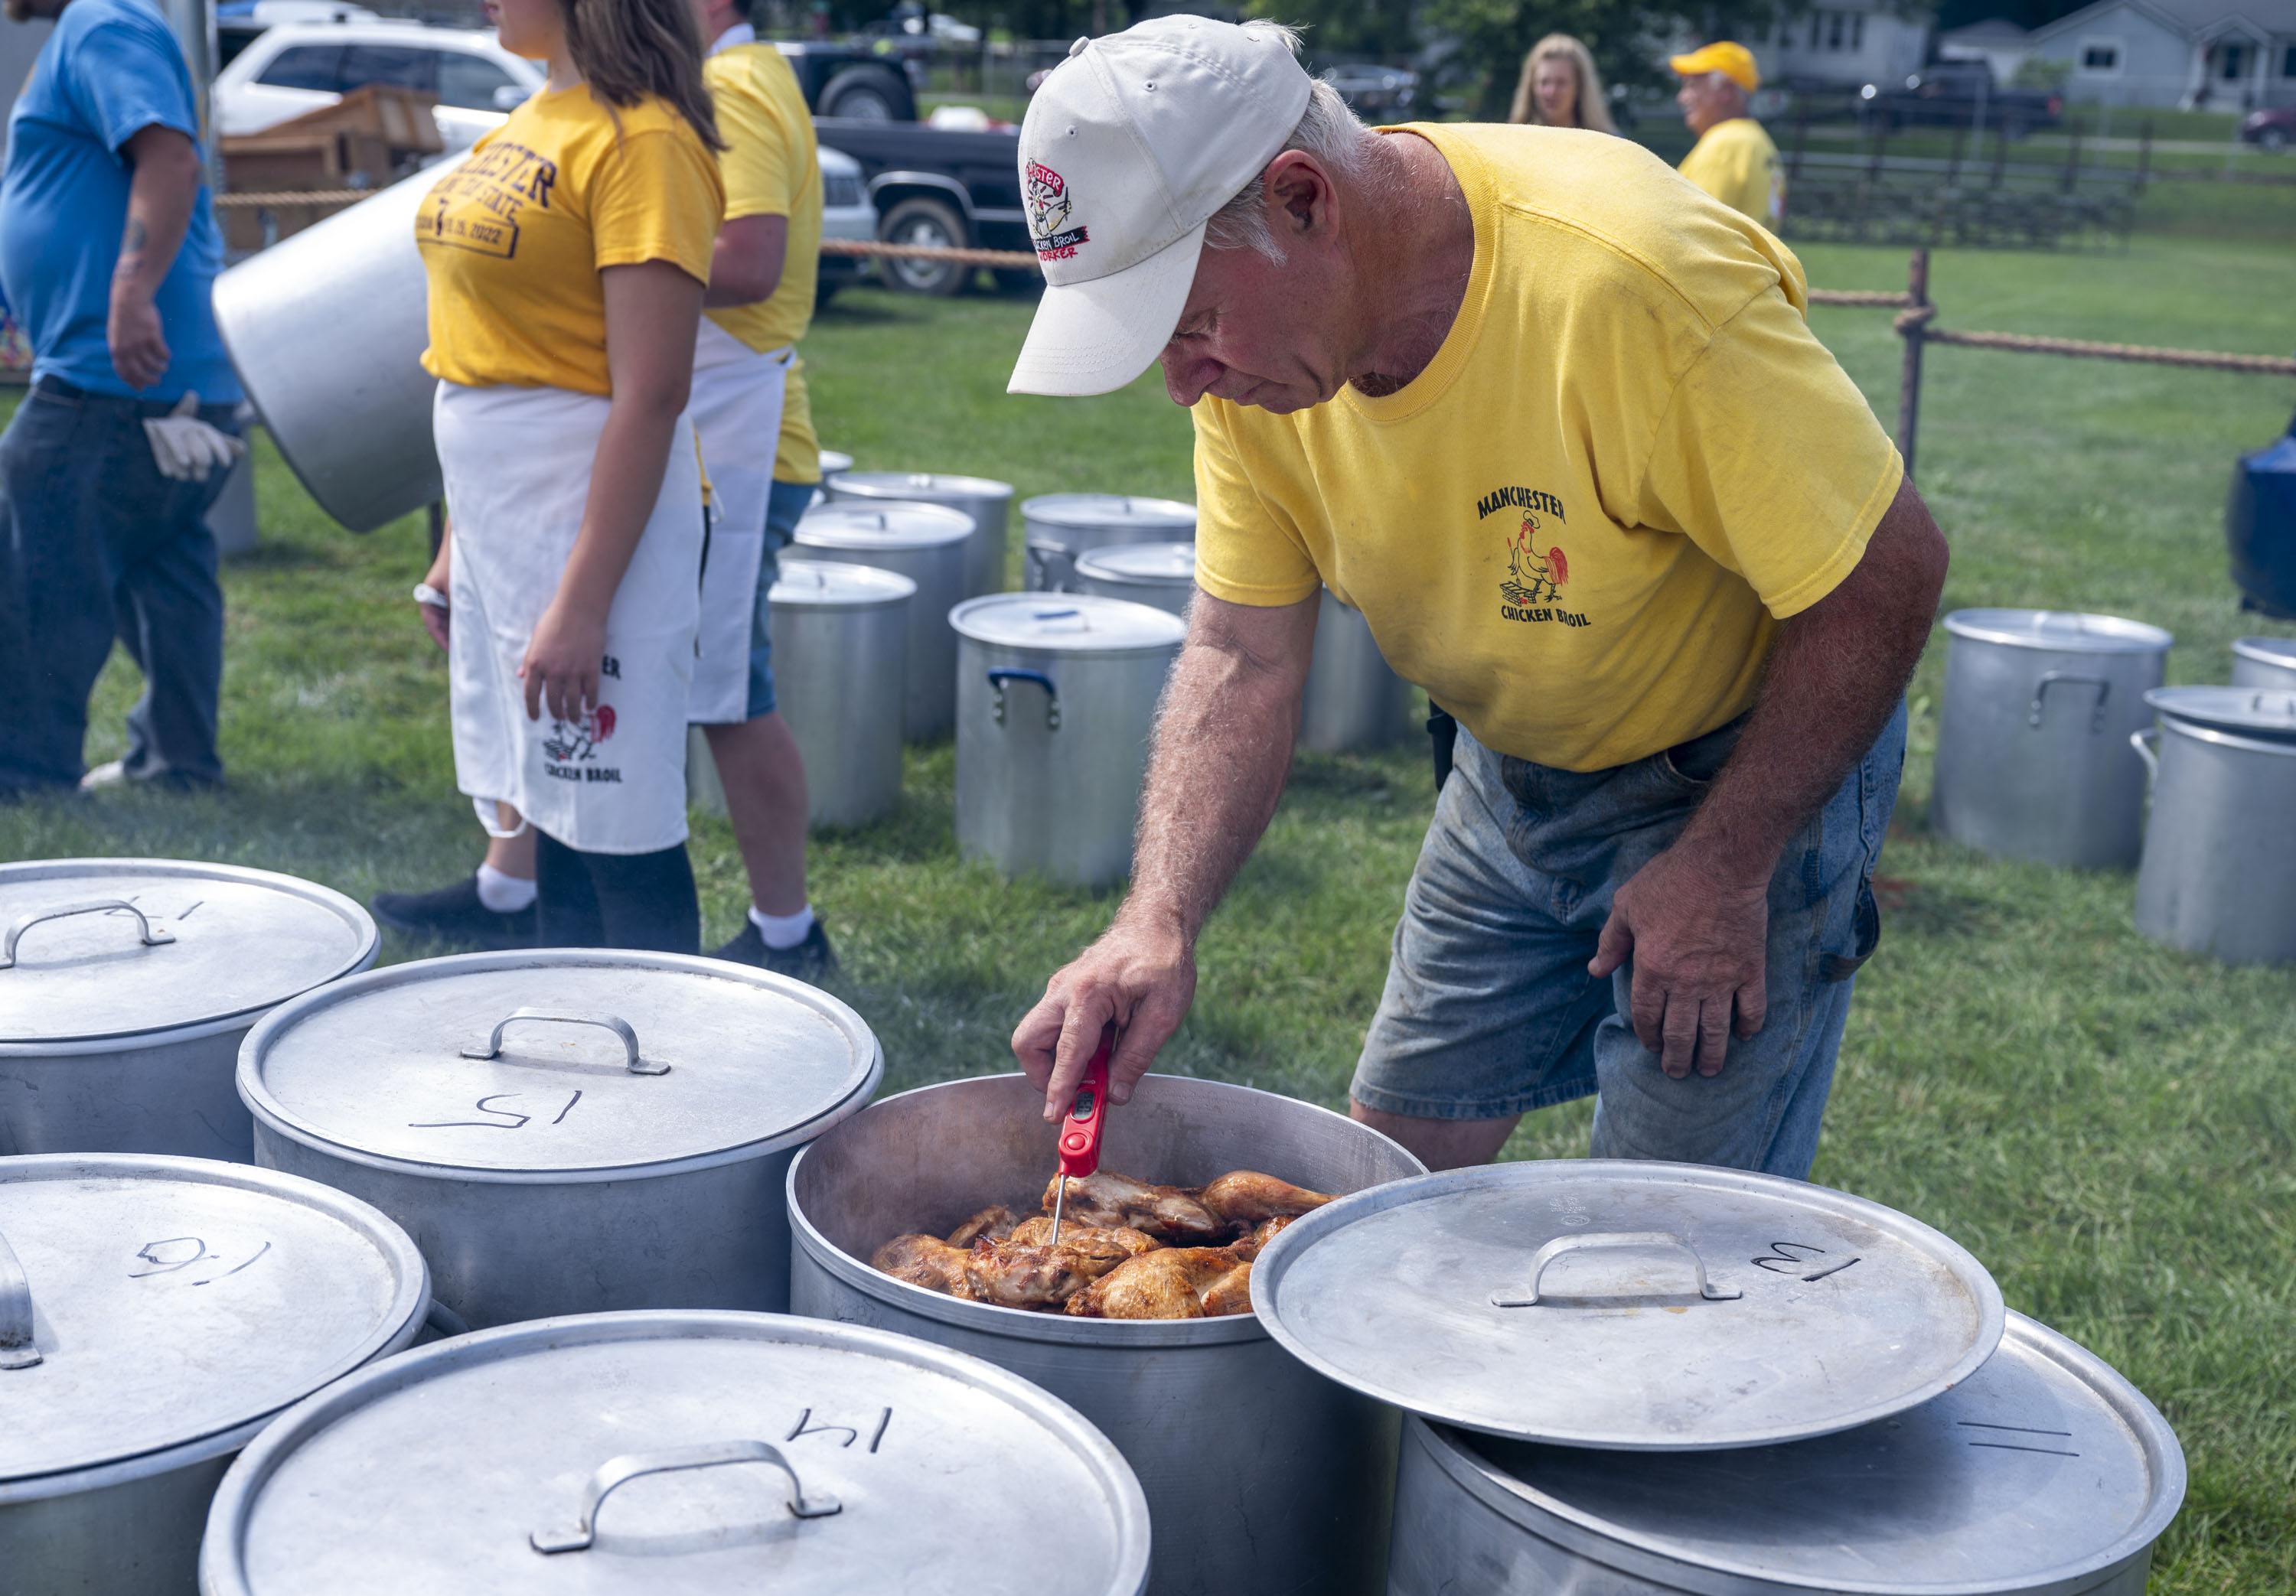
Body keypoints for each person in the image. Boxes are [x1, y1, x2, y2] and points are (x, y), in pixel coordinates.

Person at [1003, 18, 1948, 1178]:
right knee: (1384, 1184)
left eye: (1192, 322)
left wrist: (1725, 864)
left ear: (1304, 200)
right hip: (1509, 780)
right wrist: (1156, 918)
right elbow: (1242, 654)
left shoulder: (1628, 282)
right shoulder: (1250, 385)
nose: (1184, 380)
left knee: (1674, 1237)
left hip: (1738, 771)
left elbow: (1887, 569)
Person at [414, 0, 725, 953]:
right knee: (552, 803)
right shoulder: (533, 116)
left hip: (597, 531)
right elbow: (486, 353)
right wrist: (453, 554)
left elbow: (652, 395)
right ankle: (577, 1036)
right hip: (507, 526)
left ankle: (673, 1068)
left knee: (616, 815)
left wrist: (582, 606)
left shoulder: (648, 142)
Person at [0, 0, 247, 799]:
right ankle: (178, 760)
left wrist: (129, 294)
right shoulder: (102, 27)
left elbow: (170, 161)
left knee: (40, 567)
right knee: (164, 562)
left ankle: (27, 773)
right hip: (176, 380)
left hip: (110, 378)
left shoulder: (101, 21)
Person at [683, 0, 835, 976]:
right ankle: (513, 879)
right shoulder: (744, 75)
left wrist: (597, 257)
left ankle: (789, 929)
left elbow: (749, 257)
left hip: (736, 446)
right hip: (715, 438)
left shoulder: (732, 85)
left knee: (733, 694)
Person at [1671, 41, 1783, 227]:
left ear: (1726, 91)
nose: (1682, 98)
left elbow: (1694, 229)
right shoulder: (1758, 140)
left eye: (1691, 86)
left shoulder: (1726, 144)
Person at [1506, 33, 1615, 133]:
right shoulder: (1512, 140)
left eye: (1561, 83)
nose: (1551, 92)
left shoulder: (1609, 145)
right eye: (1544, 82)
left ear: (1580, 87)